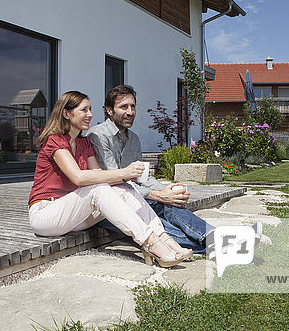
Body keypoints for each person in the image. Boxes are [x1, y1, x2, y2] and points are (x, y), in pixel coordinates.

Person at [28, 91, 187, 268]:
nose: (90, 115)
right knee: (100, 188)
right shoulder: (55, 141)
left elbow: (99, 175)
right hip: (46, 213)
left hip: (72, 216)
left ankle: (164, 238)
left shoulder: (83, 143)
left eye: (90, 109)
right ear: (66, 113)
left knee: (123, 188)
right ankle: (150, 242)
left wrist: (127, 179)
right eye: (83, 110)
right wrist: (125, 172)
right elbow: (78, 177)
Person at [88, 85, 214, 254]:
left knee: (171, 206)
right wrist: (158, 195)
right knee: (159, 226)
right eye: (123, 107)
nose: (130, 112)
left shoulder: (133, 139)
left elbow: (143, 178)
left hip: (134, 196)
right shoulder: (97, 136)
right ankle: (211, 245)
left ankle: (212, 235)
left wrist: (166, 190)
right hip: (111, 207)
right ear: (109, 110)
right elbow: (114, 181)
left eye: (133, 106)